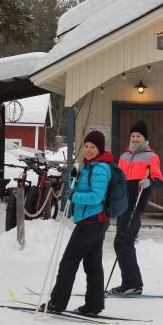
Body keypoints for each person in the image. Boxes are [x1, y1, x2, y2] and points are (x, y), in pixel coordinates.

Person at [42, 130, 113, 315]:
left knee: (68, 262)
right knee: (92, 265)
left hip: (91, 221)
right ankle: (94, 305)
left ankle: (57, 303)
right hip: (96, 220)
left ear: (100, 149)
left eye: (93, 147)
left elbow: (97, 196)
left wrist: (75, 196)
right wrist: (76, 177)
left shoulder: (99, 168)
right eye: (87, 146)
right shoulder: (91, 165)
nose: (89, 150)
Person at [112, 120, 163, 295]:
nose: (134, 138)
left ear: (144, 138)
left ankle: (131, 284)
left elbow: (159, 180)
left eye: (138, 136)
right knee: (123, 243)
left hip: (136, 204)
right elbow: (118, 179)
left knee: (122, 242)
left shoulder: (151, 157)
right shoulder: (124, 157)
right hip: (122, 205)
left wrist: (149, 181)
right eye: (133, 135)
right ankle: (132, 283)